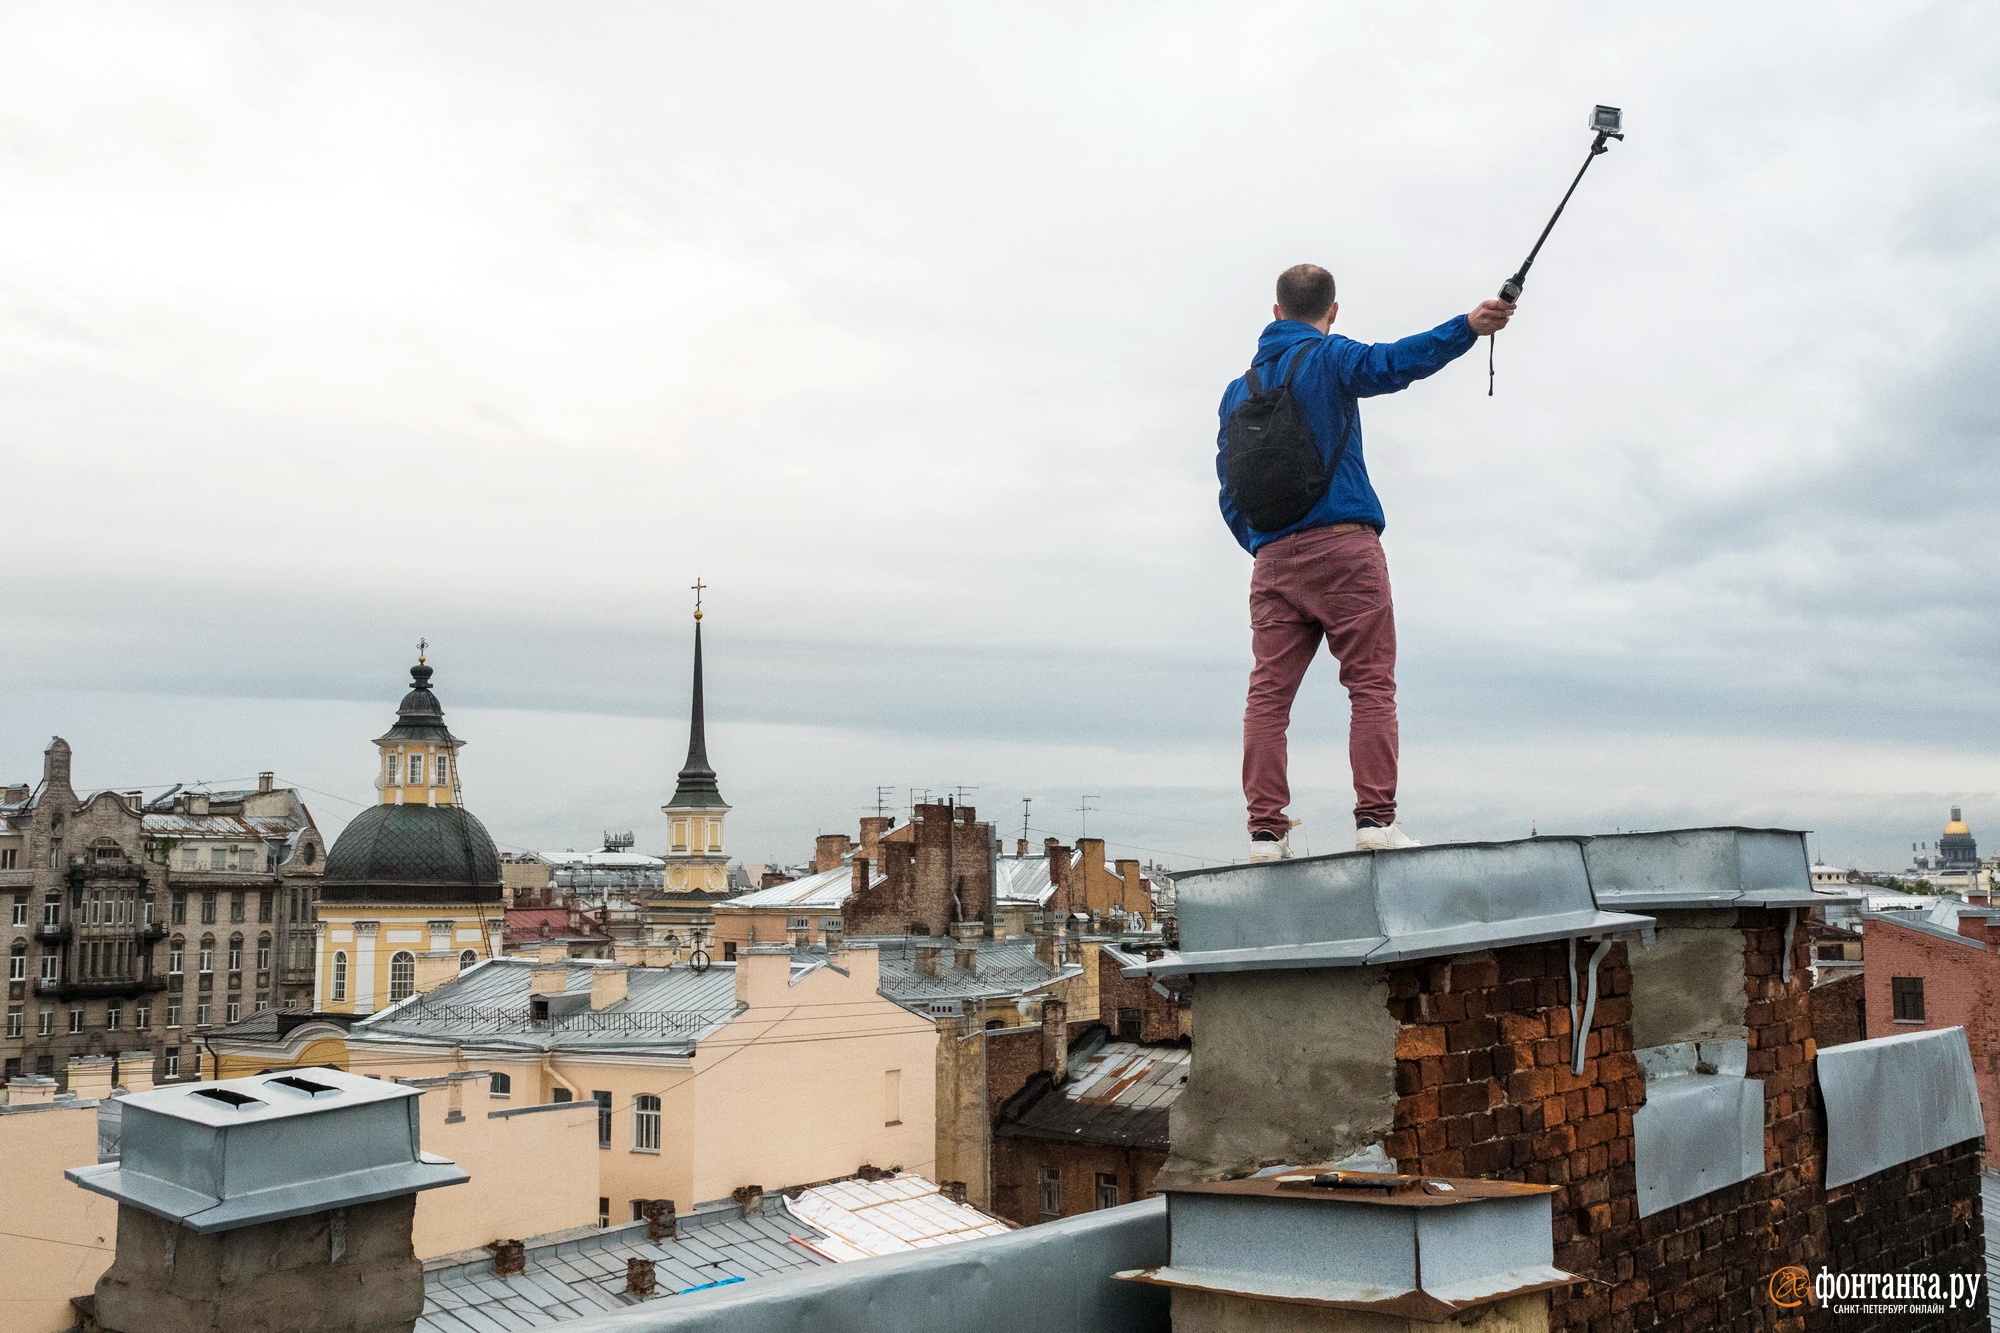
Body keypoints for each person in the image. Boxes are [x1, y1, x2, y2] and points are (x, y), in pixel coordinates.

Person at [1218, 263, 1514, 861]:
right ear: (1332, 312)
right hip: (1346, 548)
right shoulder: (1331, 358)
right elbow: (1394, 363)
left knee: (1268, 698)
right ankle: (1375, 823)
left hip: (1273, 562)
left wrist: (1263, 544)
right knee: (1370, 687)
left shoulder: (1238, 389)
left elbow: (1229, 485)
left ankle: (1266, 833)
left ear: (1275, 313)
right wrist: (1467, 327)